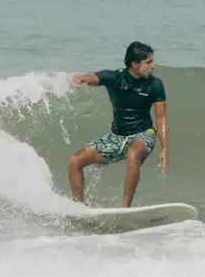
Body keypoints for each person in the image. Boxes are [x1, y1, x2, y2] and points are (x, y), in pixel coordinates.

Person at [67, 41, 168, 207]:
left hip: (144, 134)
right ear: (135, 64)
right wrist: (83, 78)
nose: (153, 66)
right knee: (74, 161)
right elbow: (95, 78)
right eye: (148, 62)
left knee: (133, 154)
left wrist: (164, 150)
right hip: (116, 137)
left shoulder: (155, 85)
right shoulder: (115, 78)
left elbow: (161, 118)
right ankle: (79, 207)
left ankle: (125, 209)